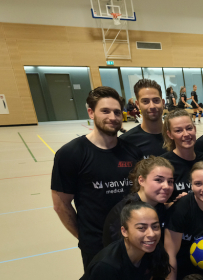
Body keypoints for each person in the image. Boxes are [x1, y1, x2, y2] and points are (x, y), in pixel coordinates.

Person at [51, 86, 141, 270]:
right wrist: (85, 238)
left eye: (117, 112)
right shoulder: (71, 153)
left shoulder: (132, 152)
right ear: (91, 113)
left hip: (133, 241)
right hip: (96, 246)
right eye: (105, 111)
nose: (112, 117)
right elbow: (61, 205)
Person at [103, 156, 174, 247]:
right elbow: (116, 254)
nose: (166, 186)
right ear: (141, 180)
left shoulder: (159, 205)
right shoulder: (125, 213)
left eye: (170, 182)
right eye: (158, 180)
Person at [161, 109, 203, 195]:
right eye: (178, 131)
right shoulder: (163, 164)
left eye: (189, 128)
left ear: (194, 129)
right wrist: (179, 203)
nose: (186, 134)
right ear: (170, 135)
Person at [120, 79, 166, 159]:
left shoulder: (177, 136)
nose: (152, 106)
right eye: (145, 101)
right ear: (137, 104)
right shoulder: (126, 142)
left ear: (163, 103)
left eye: (156, 100)